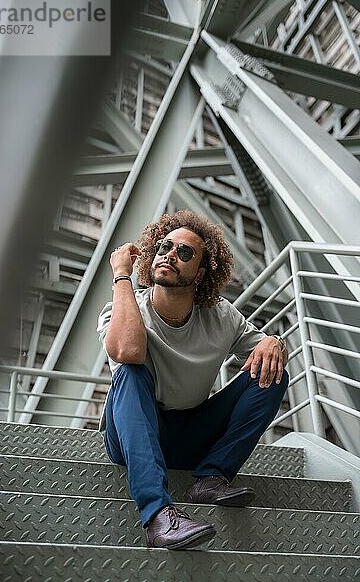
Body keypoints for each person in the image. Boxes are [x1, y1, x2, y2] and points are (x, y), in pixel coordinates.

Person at [97, 210, 288, 550]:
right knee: (130, 371)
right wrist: (122, 277)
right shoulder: (124, 307)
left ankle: (212, 476)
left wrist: (275, 341)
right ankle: (158, 514)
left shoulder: (221, 315)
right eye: (164, 247)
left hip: (191, 432)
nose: (170, 254)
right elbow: (128, 351)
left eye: (184, 252)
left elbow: (263, 349)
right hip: (135, 432)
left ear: (201, 273)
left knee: (271, 375)